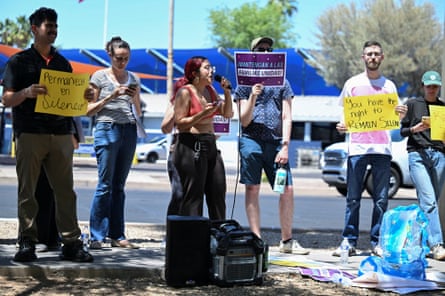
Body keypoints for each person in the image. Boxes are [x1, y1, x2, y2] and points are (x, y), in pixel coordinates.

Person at [1, 7, 93, 262]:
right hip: (30, 133)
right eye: (48, 27)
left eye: (55, 28)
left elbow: (76, 102)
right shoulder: (18, 62)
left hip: (61, 134)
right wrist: (26, 93)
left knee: (65, 191)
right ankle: (27, 241)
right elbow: (6, 98)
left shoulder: (63, 63)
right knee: (27, 191)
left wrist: (85, 96)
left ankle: (71, 242)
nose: (53, 31)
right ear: (34, 29)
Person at [233, 37, 309, 255]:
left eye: (268, 49)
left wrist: (285, 146)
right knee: (252, 187)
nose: (265, 52)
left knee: (286, 189)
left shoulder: (282, 83)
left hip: (276, 142)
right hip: (251, 139)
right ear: (252, 55)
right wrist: (253, 97)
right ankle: (256, 240)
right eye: (260, 49)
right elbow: (244, 120)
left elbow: (287, 115)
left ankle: (287, 240)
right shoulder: (243, 85)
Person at [333, 40, 407, 257]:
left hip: (382, 149)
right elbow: (344, 113)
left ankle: (378, 242)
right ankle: (348, 241)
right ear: (363, 57)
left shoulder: (389, 86)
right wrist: (342, 125)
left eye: (376, 54)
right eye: (369, 54)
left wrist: (400, 113)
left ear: (382, 58)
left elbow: (396, 117)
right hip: (357, 148)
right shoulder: (352, 83)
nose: (373, 57)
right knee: (353, 198)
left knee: (382, 199)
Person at [85, 36, 142, 250]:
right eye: (118, 58)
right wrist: (112, 96)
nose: (122, 62)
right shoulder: (99, 76)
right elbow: (89, 109)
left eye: (126, 58)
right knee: (105, 185)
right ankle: (97, 235)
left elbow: (136, 111)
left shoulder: (134, 78)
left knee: (119, 186)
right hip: (107, 128)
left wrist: (134, 97)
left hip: (129, 129)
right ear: (110, 55)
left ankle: (117, 234)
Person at [173, 56, 233, 219]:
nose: (211, 71)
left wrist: (227, 92)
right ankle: (192, 238)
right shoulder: (185, 92)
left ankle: (218, 233)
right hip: (191, 145)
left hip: (210, 143)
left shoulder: (211, 90)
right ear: (195, 73)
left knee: (218, 191)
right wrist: (202, 114)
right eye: (207, 68)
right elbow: (180, 124)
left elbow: (227, 113)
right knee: (194, 195)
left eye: (211, 67)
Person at [400, 70, 445, 260]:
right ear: (423, 86)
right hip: (417, 154)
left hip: (439, 155)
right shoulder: (412, 104)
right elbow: (402, 131)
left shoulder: (443, 107)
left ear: (439, 87)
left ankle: (417, 242)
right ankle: (437, 244)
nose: (432, 89)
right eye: (429, 86)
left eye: (435, 86)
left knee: (429, 202)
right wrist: (414, 129)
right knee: (429, 201)